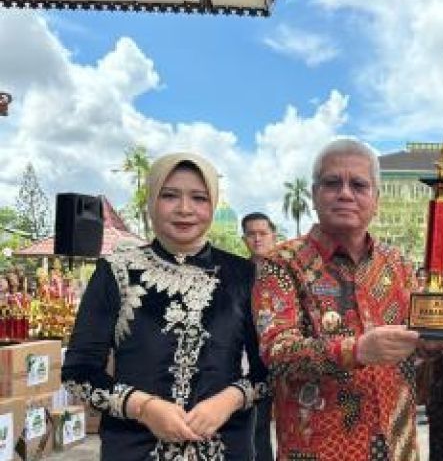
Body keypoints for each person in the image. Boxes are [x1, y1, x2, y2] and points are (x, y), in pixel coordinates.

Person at [62, 152, 268, 460]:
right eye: (169, 195)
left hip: (226, 446)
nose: (185, 209)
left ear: (213, 204)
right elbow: (78, 373)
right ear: (151, 201)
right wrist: (144, 408)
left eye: (199, 198)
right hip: (134, 448)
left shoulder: (244, 275)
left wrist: (229, 400)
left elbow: (271, 370)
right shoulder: (115, 271)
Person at [252, 137, 423, 460]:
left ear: (376, 199)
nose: (346, 193)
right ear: (315, 195)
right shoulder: (282, 263)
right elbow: (276, 351)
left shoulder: (397, 264)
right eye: (333, 183)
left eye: (359, 185)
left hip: (397, 445)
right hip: (320, 448)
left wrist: (437, 341)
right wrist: (356, 350)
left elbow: (419, 336)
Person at [241, 212, 277, 461]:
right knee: (257, 425)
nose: (257, 239)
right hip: (254, 361)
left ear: (273, 235)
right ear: (244, 239)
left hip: (290, 357)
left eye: (262, 233)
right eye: (251, 234)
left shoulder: (289, 269)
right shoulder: (238, 274)